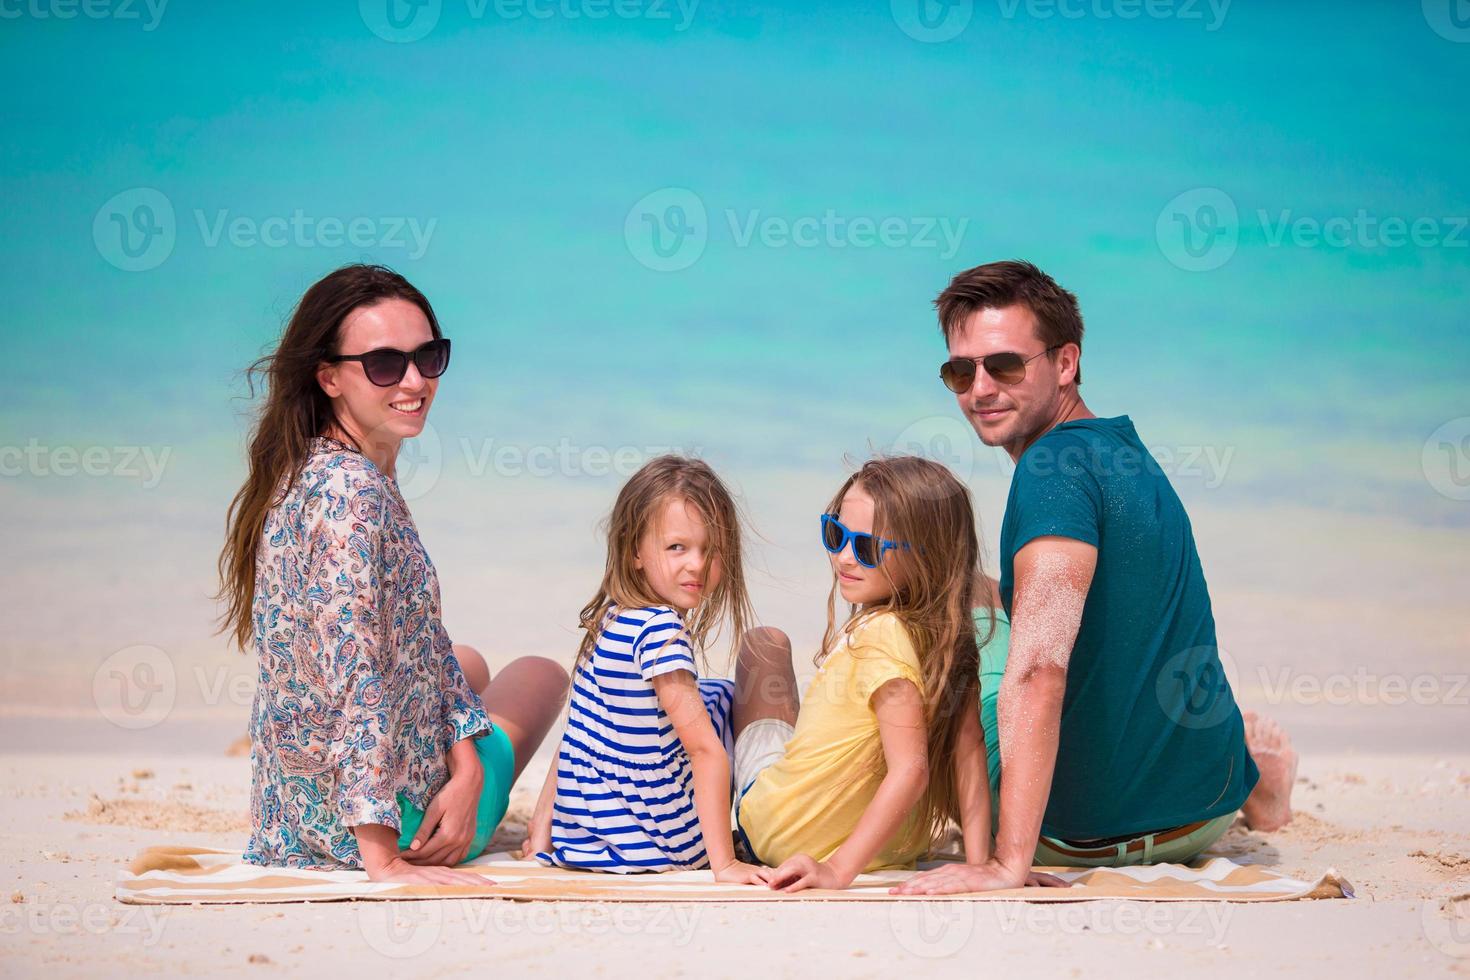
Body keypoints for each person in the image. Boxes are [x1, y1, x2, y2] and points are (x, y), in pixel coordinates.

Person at [898, 260, 1297, 896]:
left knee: (938, 615)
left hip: (1080, 835)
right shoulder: (1123, 449)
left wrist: (1006, 865)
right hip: (1204, 811)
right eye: (959, 371)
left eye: (1004, 365)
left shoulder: (1050, 471)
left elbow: (1038, 671)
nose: (979, 388)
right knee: (991, 594)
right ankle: (1258, 785)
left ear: (1065, 363)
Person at [217, 264, 567, 884]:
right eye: (384, 364)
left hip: (292, 815)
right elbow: (358, 677)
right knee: (541, 674)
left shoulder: (307, 470)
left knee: (464, 659)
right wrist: (383, 858)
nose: (414, 380)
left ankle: (456, 772)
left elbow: (419, 645)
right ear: (328, 376)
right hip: (393, 826)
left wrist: (466, 764)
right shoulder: (356, 498)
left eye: (428, 357)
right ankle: (429, 813)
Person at [732, 456, 993, 892]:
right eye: (836, 535)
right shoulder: (950, 647)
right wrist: (982, 864)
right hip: (888, 851)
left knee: (763, 647)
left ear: (928, 556)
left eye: (867, 548)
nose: (844, 558)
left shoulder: (880, 635)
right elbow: (968, 753)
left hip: (777, 834)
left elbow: (911, 771)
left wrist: (835, 871)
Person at [527, 456, 771, 883]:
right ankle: (760, 827)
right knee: (726, 697)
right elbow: (704, 751)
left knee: (703, 695)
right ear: (634, 550)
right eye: (677, 547)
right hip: (665, 840)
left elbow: (578, 731)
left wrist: (542, 831)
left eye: (710, 549)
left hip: (587, 837)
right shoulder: (660, 631)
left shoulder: (607, 618)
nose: (696, 564)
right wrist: (725, 865)